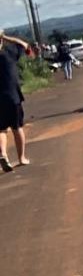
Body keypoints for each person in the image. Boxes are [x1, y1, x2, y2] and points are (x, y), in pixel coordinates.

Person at [0, 30, 30, 172]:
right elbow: (24, 45)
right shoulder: (9, 54)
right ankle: (21, 158)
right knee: (17, 128)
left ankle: (3, 155)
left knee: (1, 130)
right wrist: (5, 36)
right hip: (12, 96)